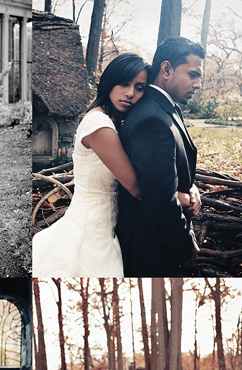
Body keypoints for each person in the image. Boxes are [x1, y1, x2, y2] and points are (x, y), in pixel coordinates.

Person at [33, 53, 152, 277]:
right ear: (109, 82)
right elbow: (135, 186)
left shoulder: (111, 120)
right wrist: (181, 196)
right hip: (90, 229)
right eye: (125, 83)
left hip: (104, 226)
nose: (130, 93)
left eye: (140, 87)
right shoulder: (99, 124)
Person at [116, 37, 204, 277]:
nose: (197, 84)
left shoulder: (166, 108)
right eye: (193, 75)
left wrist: (191, 186)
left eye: (200, 77)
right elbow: (158, 201)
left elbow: (171, 166)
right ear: (166, 69)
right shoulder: (151, 119)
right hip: (150, 249)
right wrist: (185, 245)